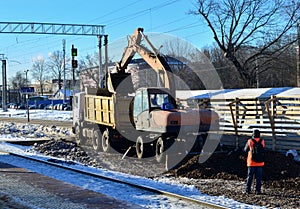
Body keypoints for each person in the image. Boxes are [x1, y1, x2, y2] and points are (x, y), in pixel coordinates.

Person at [244, 129, 265, 194]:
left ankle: (248, 190)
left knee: (250, 176)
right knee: (259, 178)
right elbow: (263, 148)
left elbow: (245, 150)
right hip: (260, 163)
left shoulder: (250, 141)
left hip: (251, 162)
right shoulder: (262, 141)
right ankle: (258, 191)